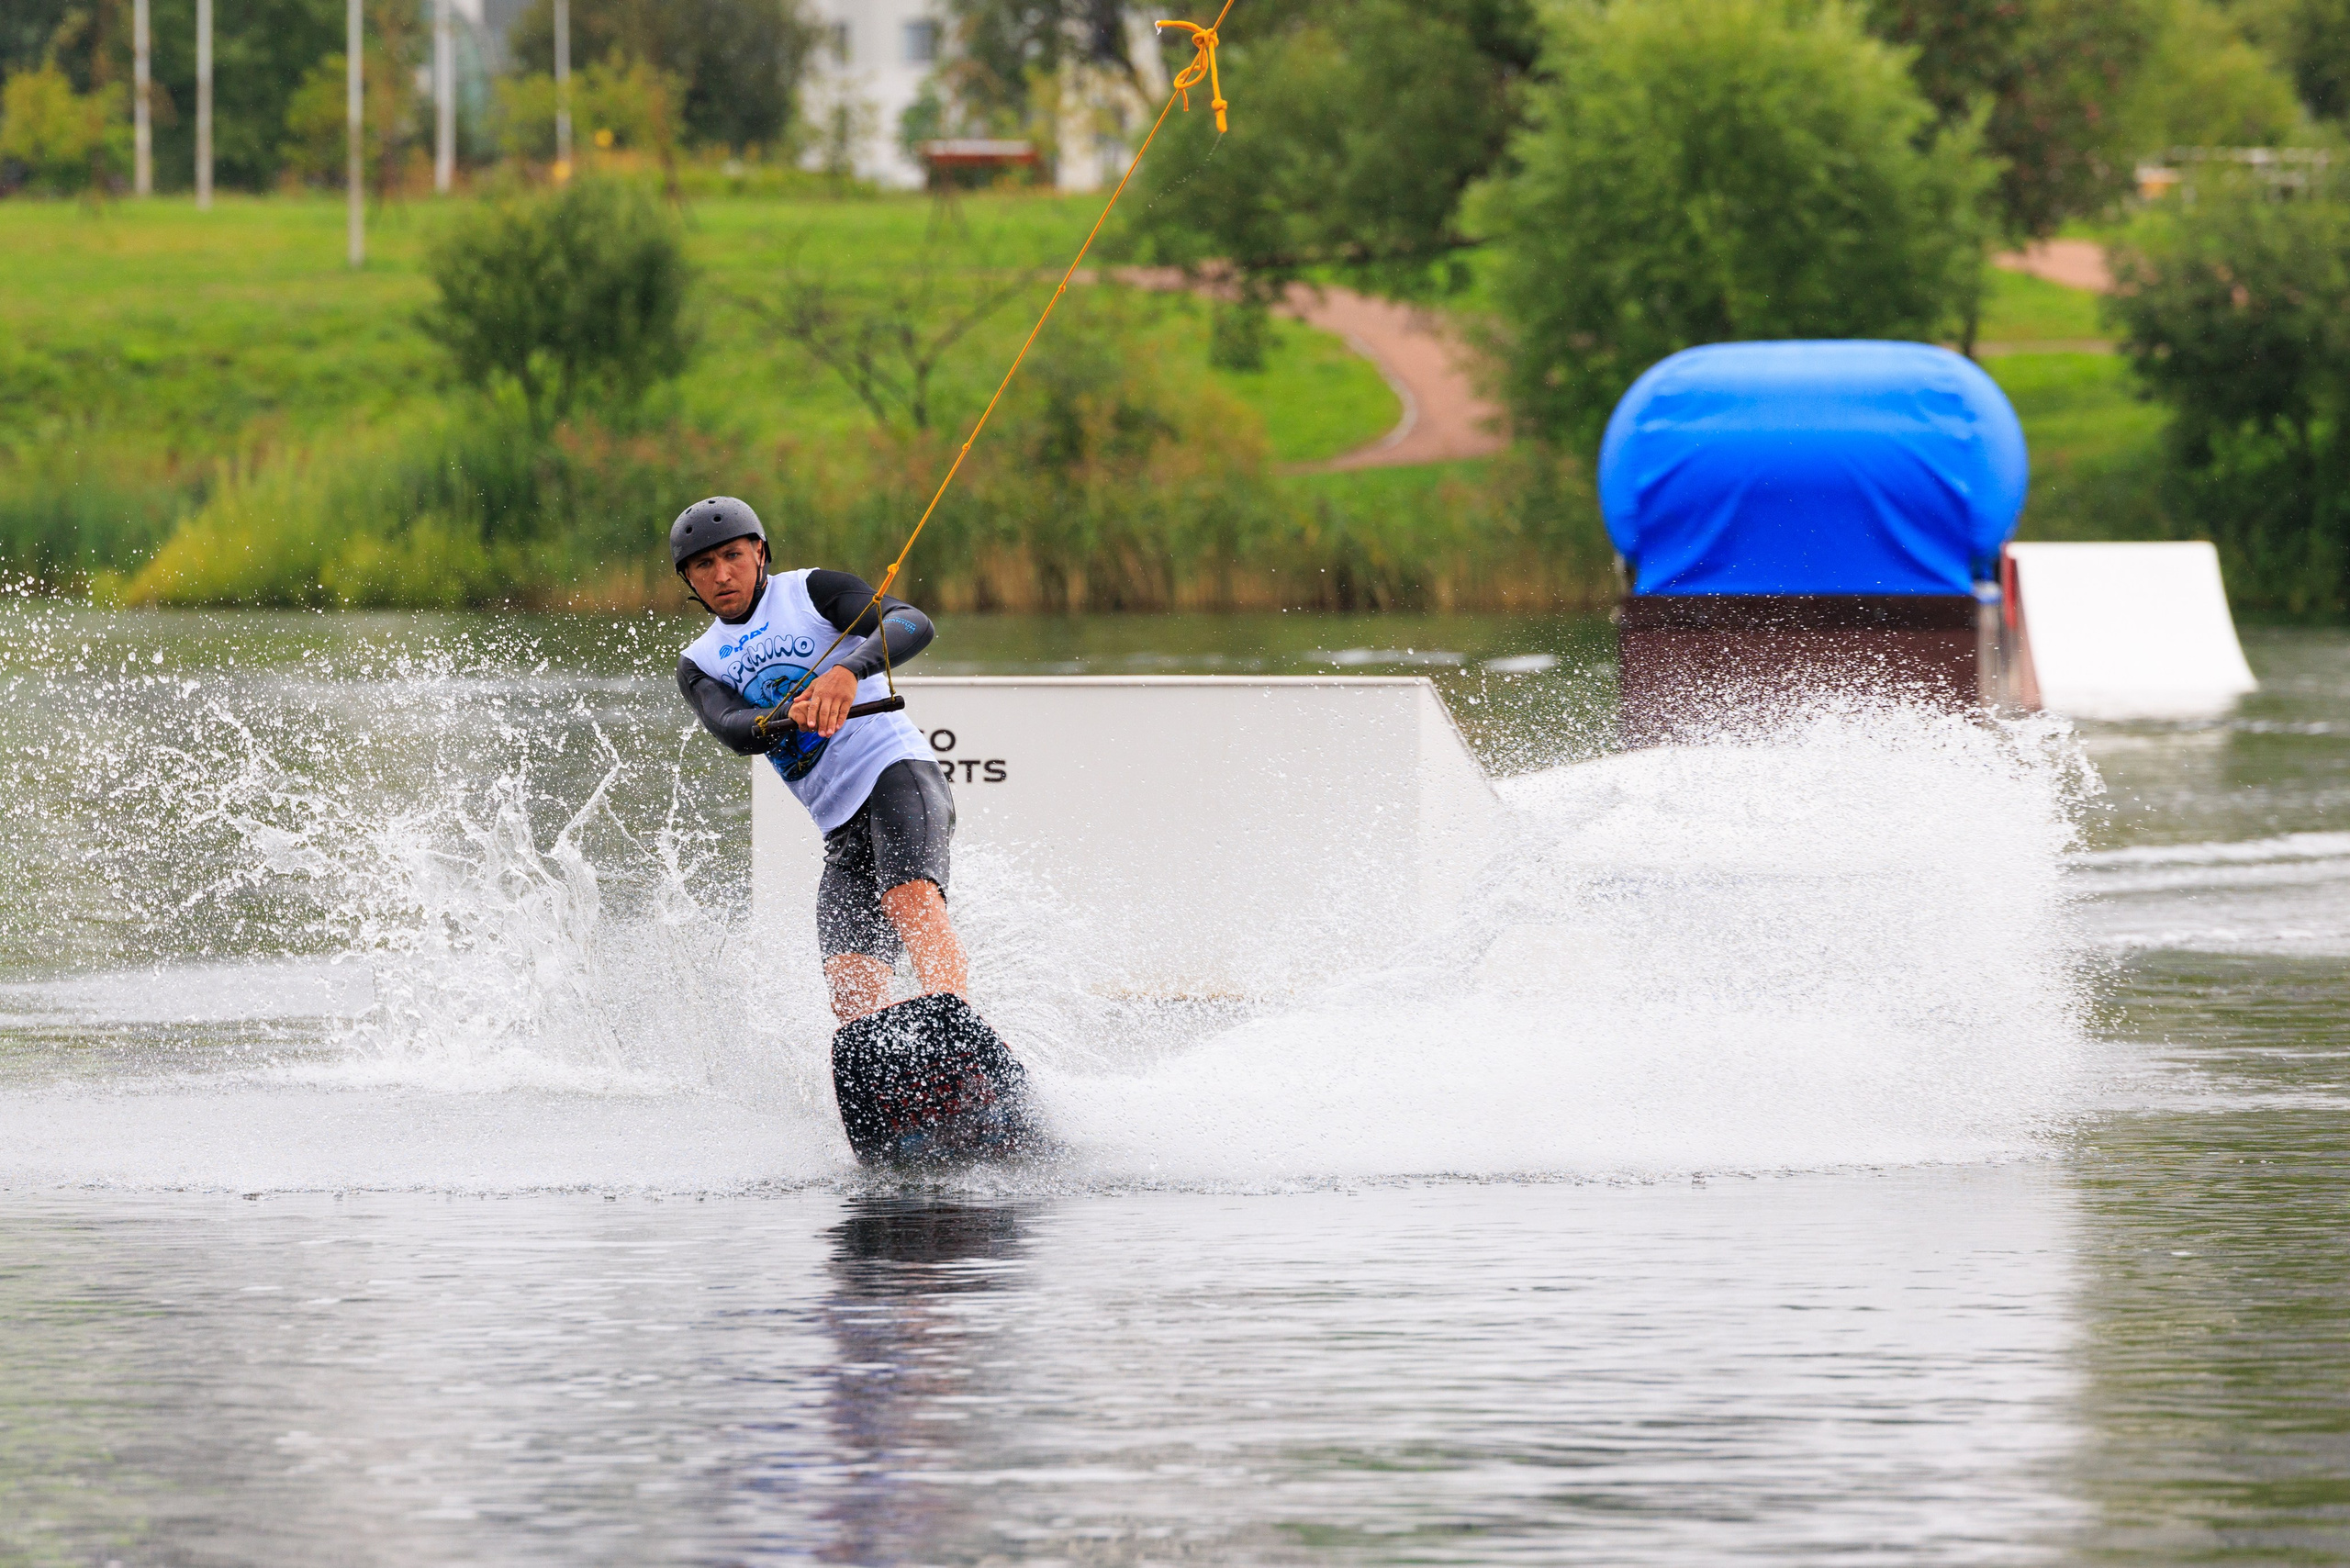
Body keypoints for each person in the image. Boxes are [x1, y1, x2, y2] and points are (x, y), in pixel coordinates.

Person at [670, 496, 966, 1025]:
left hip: (895, 773)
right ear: (689, 579)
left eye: (733, 556)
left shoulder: (809, 591)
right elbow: (732, 729)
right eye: (703, 565)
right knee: (849, 985)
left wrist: (849, 670)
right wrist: (782, 713)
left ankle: (956, 1025)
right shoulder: (699, 662)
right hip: (838, 825)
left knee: (910, 900)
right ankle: (889, 1072)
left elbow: (911, 622)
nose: (721, 575)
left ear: (760, 552)